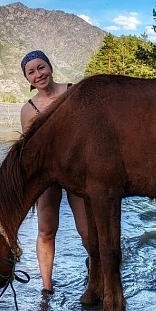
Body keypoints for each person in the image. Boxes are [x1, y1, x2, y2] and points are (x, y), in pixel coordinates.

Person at [20, 50, 89, 294]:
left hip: (77, 171)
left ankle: (96, 270)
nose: (38, 74)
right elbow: (29, 150)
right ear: (27, 79)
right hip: (47, 178)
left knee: (86, 229)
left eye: (41, 67)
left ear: (50, 66)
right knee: (46, 231)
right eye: (31, 72)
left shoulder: (74, 92)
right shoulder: (28, 110)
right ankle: (47, 287)